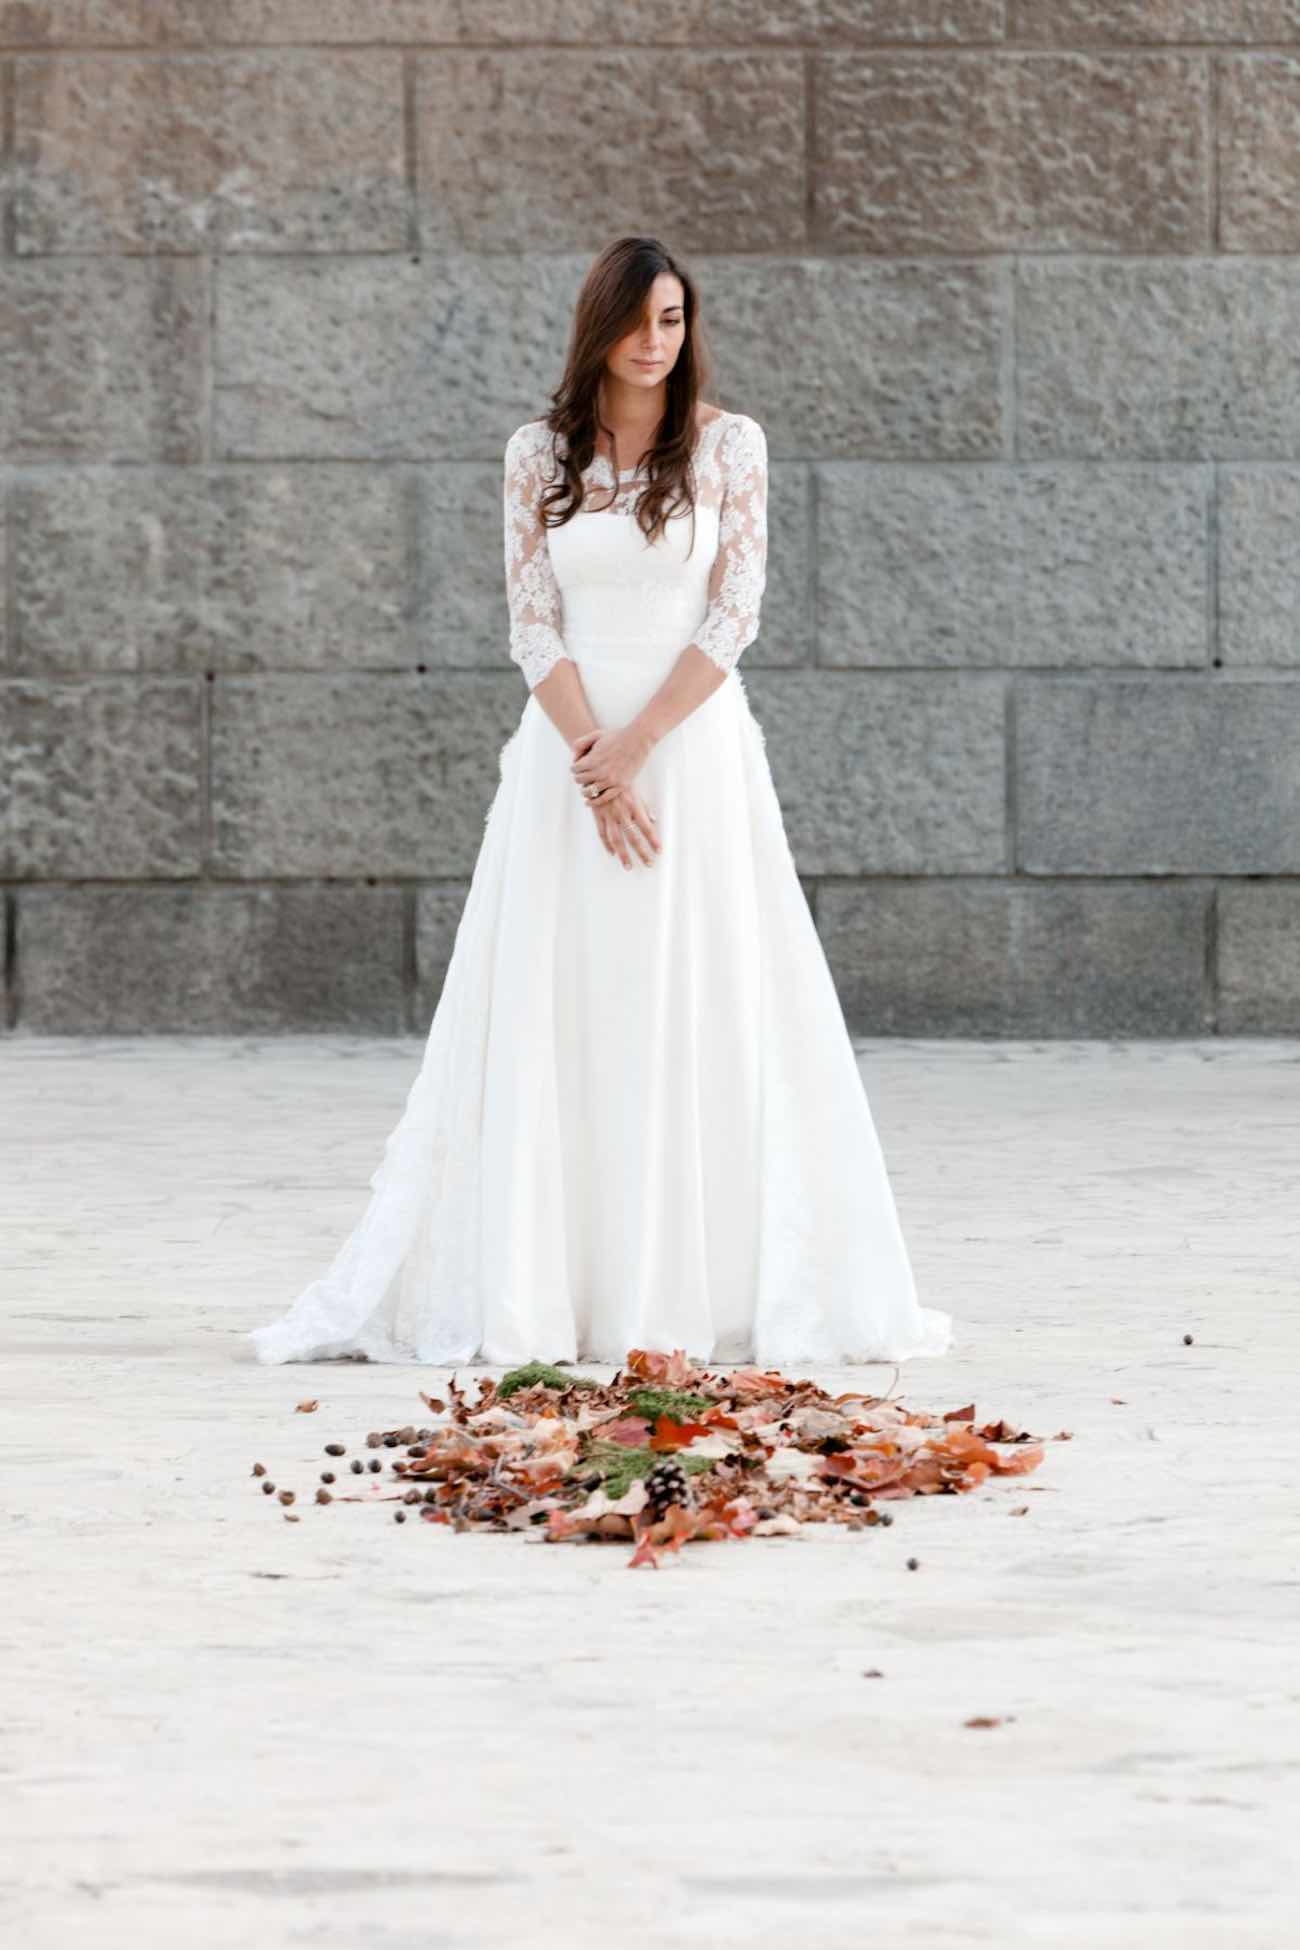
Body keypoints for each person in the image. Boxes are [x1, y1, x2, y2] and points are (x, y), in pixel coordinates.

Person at [247, 234, 953, 1370]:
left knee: (701, 995)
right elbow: (532, 623)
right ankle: (553, 1286)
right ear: (598, 326)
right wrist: (591, 758)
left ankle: (696, 1286)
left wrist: (637, 748)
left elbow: (734, 615)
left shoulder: (731, 448)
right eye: (634, 319)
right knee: (561, 999)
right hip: (564, 766)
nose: (653, 340)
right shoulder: (537, 454)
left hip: (689, 753)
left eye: (671, 319)